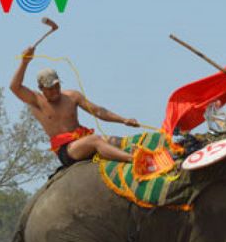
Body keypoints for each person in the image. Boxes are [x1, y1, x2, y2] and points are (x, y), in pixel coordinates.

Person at [10, 46, 140, 167]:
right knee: (95, 140)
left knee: (115, 141)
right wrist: (24, 62)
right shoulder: (36, 100)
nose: (55, 91)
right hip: (67, 150)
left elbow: (98, 111)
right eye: (50, 88)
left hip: (83, 139)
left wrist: (124, 120)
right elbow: (14, 87)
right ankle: (133, 159)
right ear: (41, 88)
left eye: (57, 86)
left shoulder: (72, 96)